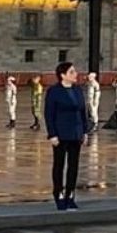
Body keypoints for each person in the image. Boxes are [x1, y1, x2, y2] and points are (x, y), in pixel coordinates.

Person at [44, 62, 89, 210]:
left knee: (73, 166)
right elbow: (49, 114)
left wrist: (85, 131)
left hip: (76, 132)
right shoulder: (54, 91)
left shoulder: (78, 90)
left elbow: (83, 112)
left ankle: (71, 194)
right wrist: (52, 134)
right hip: (60, 133)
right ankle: (59, 194)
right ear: (63, 75)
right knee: (59, 165)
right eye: (72, 72)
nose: (75, 74)